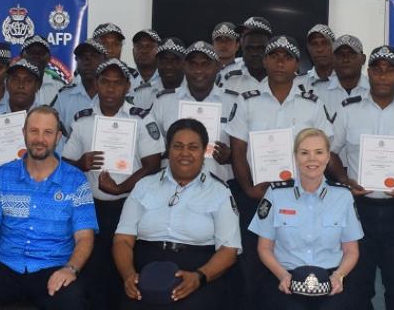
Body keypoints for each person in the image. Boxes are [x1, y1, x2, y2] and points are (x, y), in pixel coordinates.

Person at [0, 106, 96, 309]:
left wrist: (70, 269)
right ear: (24, 133)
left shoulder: (76, 180)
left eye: (48, 132)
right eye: (34, 131)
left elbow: (85, 237)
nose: (40, 139)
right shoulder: (2, 176)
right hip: (5, 264)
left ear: (58, 137)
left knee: (73, 302)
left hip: (54, 266)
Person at [225, 35, 332, 309]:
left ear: (297, 64)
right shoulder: (247, 101)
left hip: (301, 199)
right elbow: (238, 150)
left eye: (287, 57)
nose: (280, 62)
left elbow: (323, 150)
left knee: (292, 264)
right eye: (274, 56)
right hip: (257, 196)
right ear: (265, 61)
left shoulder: (312, 103)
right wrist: (248, 189)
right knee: (252, 268)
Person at [328, 46, 394, 310]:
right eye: (377, 70)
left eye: (390, 70)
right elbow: (329, 152)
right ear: (369, 72)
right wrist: (344, 180)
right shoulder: (349, 110)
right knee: (356, 283)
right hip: (357, 209)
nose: (383, 76)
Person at [63, 58, 165, 310]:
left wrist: (121, 188)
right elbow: (65, 163)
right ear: (96, 84)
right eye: (105, 82)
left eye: (117, 83)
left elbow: (153, 164)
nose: (110, 88)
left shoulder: (141, 118)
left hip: (131, 206)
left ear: (127, 86)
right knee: (94, 270)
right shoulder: (83, 120)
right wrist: (81, 163)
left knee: (127, 271)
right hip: (91, 208)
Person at [114, 119, 242, 309]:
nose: (185, 153)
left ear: (203, 151)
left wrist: (199, 277)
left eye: (193, 147)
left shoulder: (220, 191)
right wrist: (129, 276)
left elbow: (229, 251)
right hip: (145, 271)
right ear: (168, 150)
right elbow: (122, 240)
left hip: (197, 270)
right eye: (178, 146)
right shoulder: (144, 186)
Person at [251, 127, 362, 310]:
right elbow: (264, 248)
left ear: (328, 157)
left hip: (331, 279)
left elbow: (351, 251)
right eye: (304, 153)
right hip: (285, 278)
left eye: (319, 152)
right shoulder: (275, 194)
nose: (312, 159)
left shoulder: (343, 196)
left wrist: (339, 276)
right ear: (295, 156)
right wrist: (282, 275)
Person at [150, 41, 238, 184]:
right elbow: (151, 148)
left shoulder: (234, 102)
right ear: (184, 67)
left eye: (205, 64)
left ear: (217, 67)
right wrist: (168, 148)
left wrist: (231, 157)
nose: (198, 70)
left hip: (221, 185)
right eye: (193, 64)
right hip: (172, 186)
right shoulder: (164, 102)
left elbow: (245, 152)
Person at [54, 40, 107, 135]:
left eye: (94, 56)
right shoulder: (64, 98)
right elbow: (55, 133)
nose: (87, 62)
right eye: (83, 57)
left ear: (104, 61)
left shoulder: (113, 97)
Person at [313, 35, 369, 124]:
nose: (346, 59)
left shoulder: (374, 91)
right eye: (340, 55)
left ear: (363, 59)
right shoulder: (318, 92)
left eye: (351, 54)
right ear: (332, 59)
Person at [220, 16, 273, 94]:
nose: (254, 53)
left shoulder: (284, 73)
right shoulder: (227, 72)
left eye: (259, 48)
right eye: (242, 35)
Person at [132, 38, 187, 110]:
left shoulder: (194, 92)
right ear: (157, 62)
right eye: (163, 60)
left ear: (184, 63)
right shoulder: (143, 93)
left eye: (174, 61)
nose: (169, 66)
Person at [20, 35, 64, 106]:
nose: (36, 56)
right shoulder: (12, 85)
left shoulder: (59, 87)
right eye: (31, 52)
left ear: (49, 58)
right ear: (22, 56)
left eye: (41, 52)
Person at [299, 24, 336, 89]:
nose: (319, 49)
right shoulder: (298, 84)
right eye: (314, 44)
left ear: (334, 46)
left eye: (324, 43)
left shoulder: (349, 81)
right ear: (308, 49)